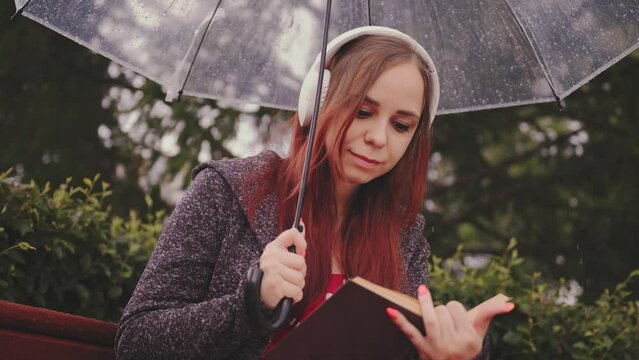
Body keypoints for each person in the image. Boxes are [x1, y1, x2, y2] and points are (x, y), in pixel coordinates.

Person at [115, 26, 513, 360]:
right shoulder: (227, 191)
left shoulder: (404, 236)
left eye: (401, 125)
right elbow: (135, 340)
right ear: (317, 102)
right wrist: (251, 305)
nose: (378, 138)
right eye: (362, 111)